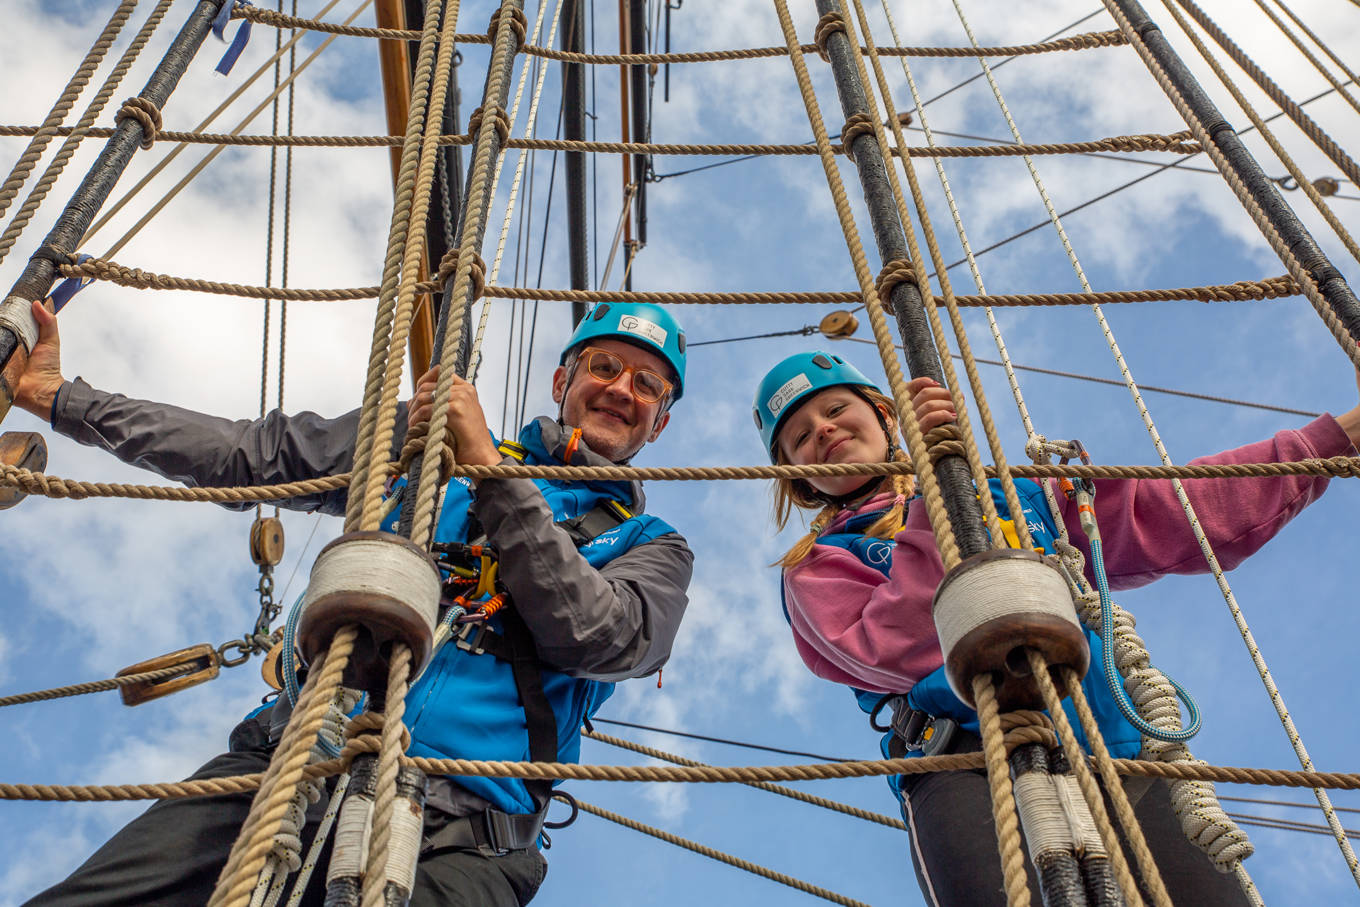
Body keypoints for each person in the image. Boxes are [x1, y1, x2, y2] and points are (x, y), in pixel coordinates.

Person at [12, 298, 694, 906]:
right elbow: (251, 456)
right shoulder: (430, 448)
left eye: (647, 384)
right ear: (563, 380)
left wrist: (489, 468)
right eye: (604, 365)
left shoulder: (653, 547)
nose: (620, 389)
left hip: (463, 835)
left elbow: (600, 637)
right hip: (289, 761)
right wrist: (59, 399)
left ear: (659, 420)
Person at [751, 349, 1360, 906]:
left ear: (884, 416)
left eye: (835, 410)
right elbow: (901, 642)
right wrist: (935, 496)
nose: (823, 431)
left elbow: (1178, 509)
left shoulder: (1014, 497)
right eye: (800, 438)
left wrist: (1339, 439)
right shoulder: (820, 567)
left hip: (1119, 746)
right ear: (797, 477)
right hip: (966, 765)